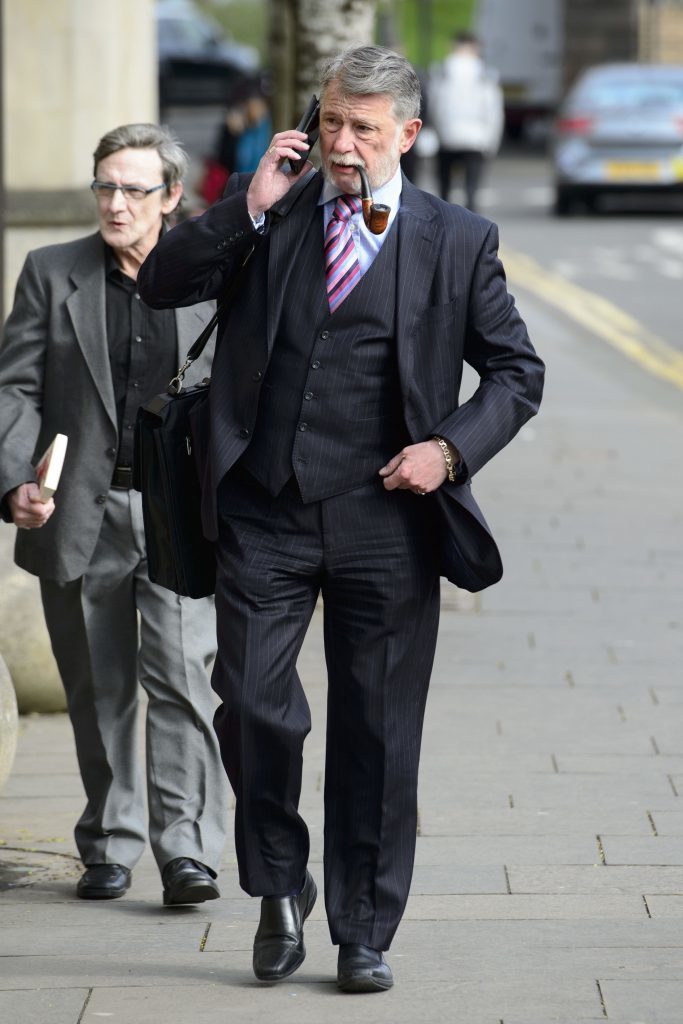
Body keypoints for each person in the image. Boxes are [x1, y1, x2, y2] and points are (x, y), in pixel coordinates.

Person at [138, 46, 544, 991]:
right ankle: (280, 883)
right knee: (253, 703)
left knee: (377, 732)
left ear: (407, 134)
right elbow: (161, 281)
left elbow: (517, 374)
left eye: (364, 128)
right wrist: (248, 205)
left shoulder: (458, 239)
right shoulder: (270, 207)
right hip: (263, 506)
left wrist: (446, 451)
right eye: (330, 122)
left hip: (388, 519)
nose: (342, 142)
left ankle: (363, 930)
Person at [0, 123, 228, 906]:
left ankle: (187, 848)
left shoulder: (213, 275)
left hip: (181, 514)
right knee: (98, 688)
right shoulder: (50, 271)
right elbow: (15, 388)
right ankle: (109, 839)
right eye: (104, 185)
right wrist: (13, 481)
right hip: (79, 513)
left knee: (183, 681)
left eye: (134, 189)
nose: (116, 203)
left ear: (171, 197)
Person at [429, 30, 504, 211]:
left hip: (447, 137)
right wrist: (492, 142)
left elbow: (435, 105)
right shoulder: (484, 71)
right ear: (475, 47)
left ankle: (443, 228)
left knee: (444, 192)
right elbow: (493, 111)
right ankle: (471, 231)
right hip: (477, 139)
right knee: (472, 191)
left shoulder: (442, 69)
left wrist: (439, 132)